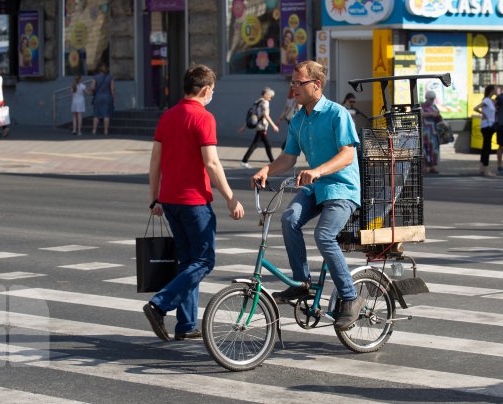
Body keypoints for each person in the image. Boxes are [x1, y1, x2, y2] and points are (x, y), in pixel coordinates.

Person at [251, 60, 364, 331]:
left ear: (316, 85)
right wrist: (267, 168)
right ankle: (303, 285)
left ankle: (350, 297)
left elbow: (348, 153)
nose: (293, 88)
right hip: (315, 187)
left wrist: (318, 170)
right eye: (292, 83)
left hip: (341, 188)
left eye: (298, 83)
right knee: (289, 218)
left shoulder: (337, 114)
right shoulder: (299, 119)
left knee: (324, 235)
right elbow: (289, 157)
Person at [144, 64, 245, 342]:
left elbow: (155, 161)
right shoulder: (203, 118)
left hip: (170, 201)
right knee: (203, 261)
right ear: (206, 90)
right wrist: (230, 197)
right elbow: (211, 163)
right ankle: (160, 304)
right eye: (212, 91)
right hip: (194, 202)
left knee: (188, 262)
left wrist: (154, 197)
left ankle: (186, 325)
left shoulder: (168, 116)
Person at [239, 87, 279, 168]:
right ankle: (244, 161)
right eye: (270, 96)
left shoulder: (257, 102)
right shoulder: (265, 103)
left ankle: (245, 161)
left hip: (258, 126)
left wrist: (244, 127)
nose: (271, 98)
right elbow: (265, 115)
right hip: (262, 126)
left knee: (264, 144)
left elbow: (251, 116)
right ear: (266, 95)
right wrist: (273, 125)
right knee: (259, 144)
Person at [473, 85, 497, 177]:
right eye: (495, 89)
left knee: (485, 147)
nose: (496, 91)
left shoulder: (490, 100)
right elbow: (476, 108)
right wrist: (483, 114)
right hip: (487, 126)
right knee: (487, 148)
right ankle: (486, 170)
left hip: (488, 125)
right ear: (491, 90)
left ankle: (482, 168)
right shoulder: (487, 100)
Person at [421, 90, 442, 174]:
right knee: (425, 149)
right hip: (425, 132)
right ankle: (426, 167)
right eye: (430, 98)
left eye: (433, 99)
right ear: (426, 97)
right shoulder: (421, 106)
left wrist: (437, 115)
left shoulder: (434, 106)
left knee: (434, 149)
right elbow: (420, 114)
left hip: (433, 132)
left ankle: (433, 167)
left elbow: (438, 116)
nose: (432, 100)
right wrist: (431, 114)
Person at [91, 64, 115, 135]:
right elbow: (112, 89)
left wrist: (92, 91)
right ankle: (106, 130)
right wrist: (113, 98)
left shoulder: (95, 77)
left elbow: (92, 87)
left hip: (98, 97)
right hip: (107, 97)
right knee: (106, 114)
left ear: (99, 70)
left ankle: (94, 130)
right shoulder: (110, 77)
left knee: (96, 115)